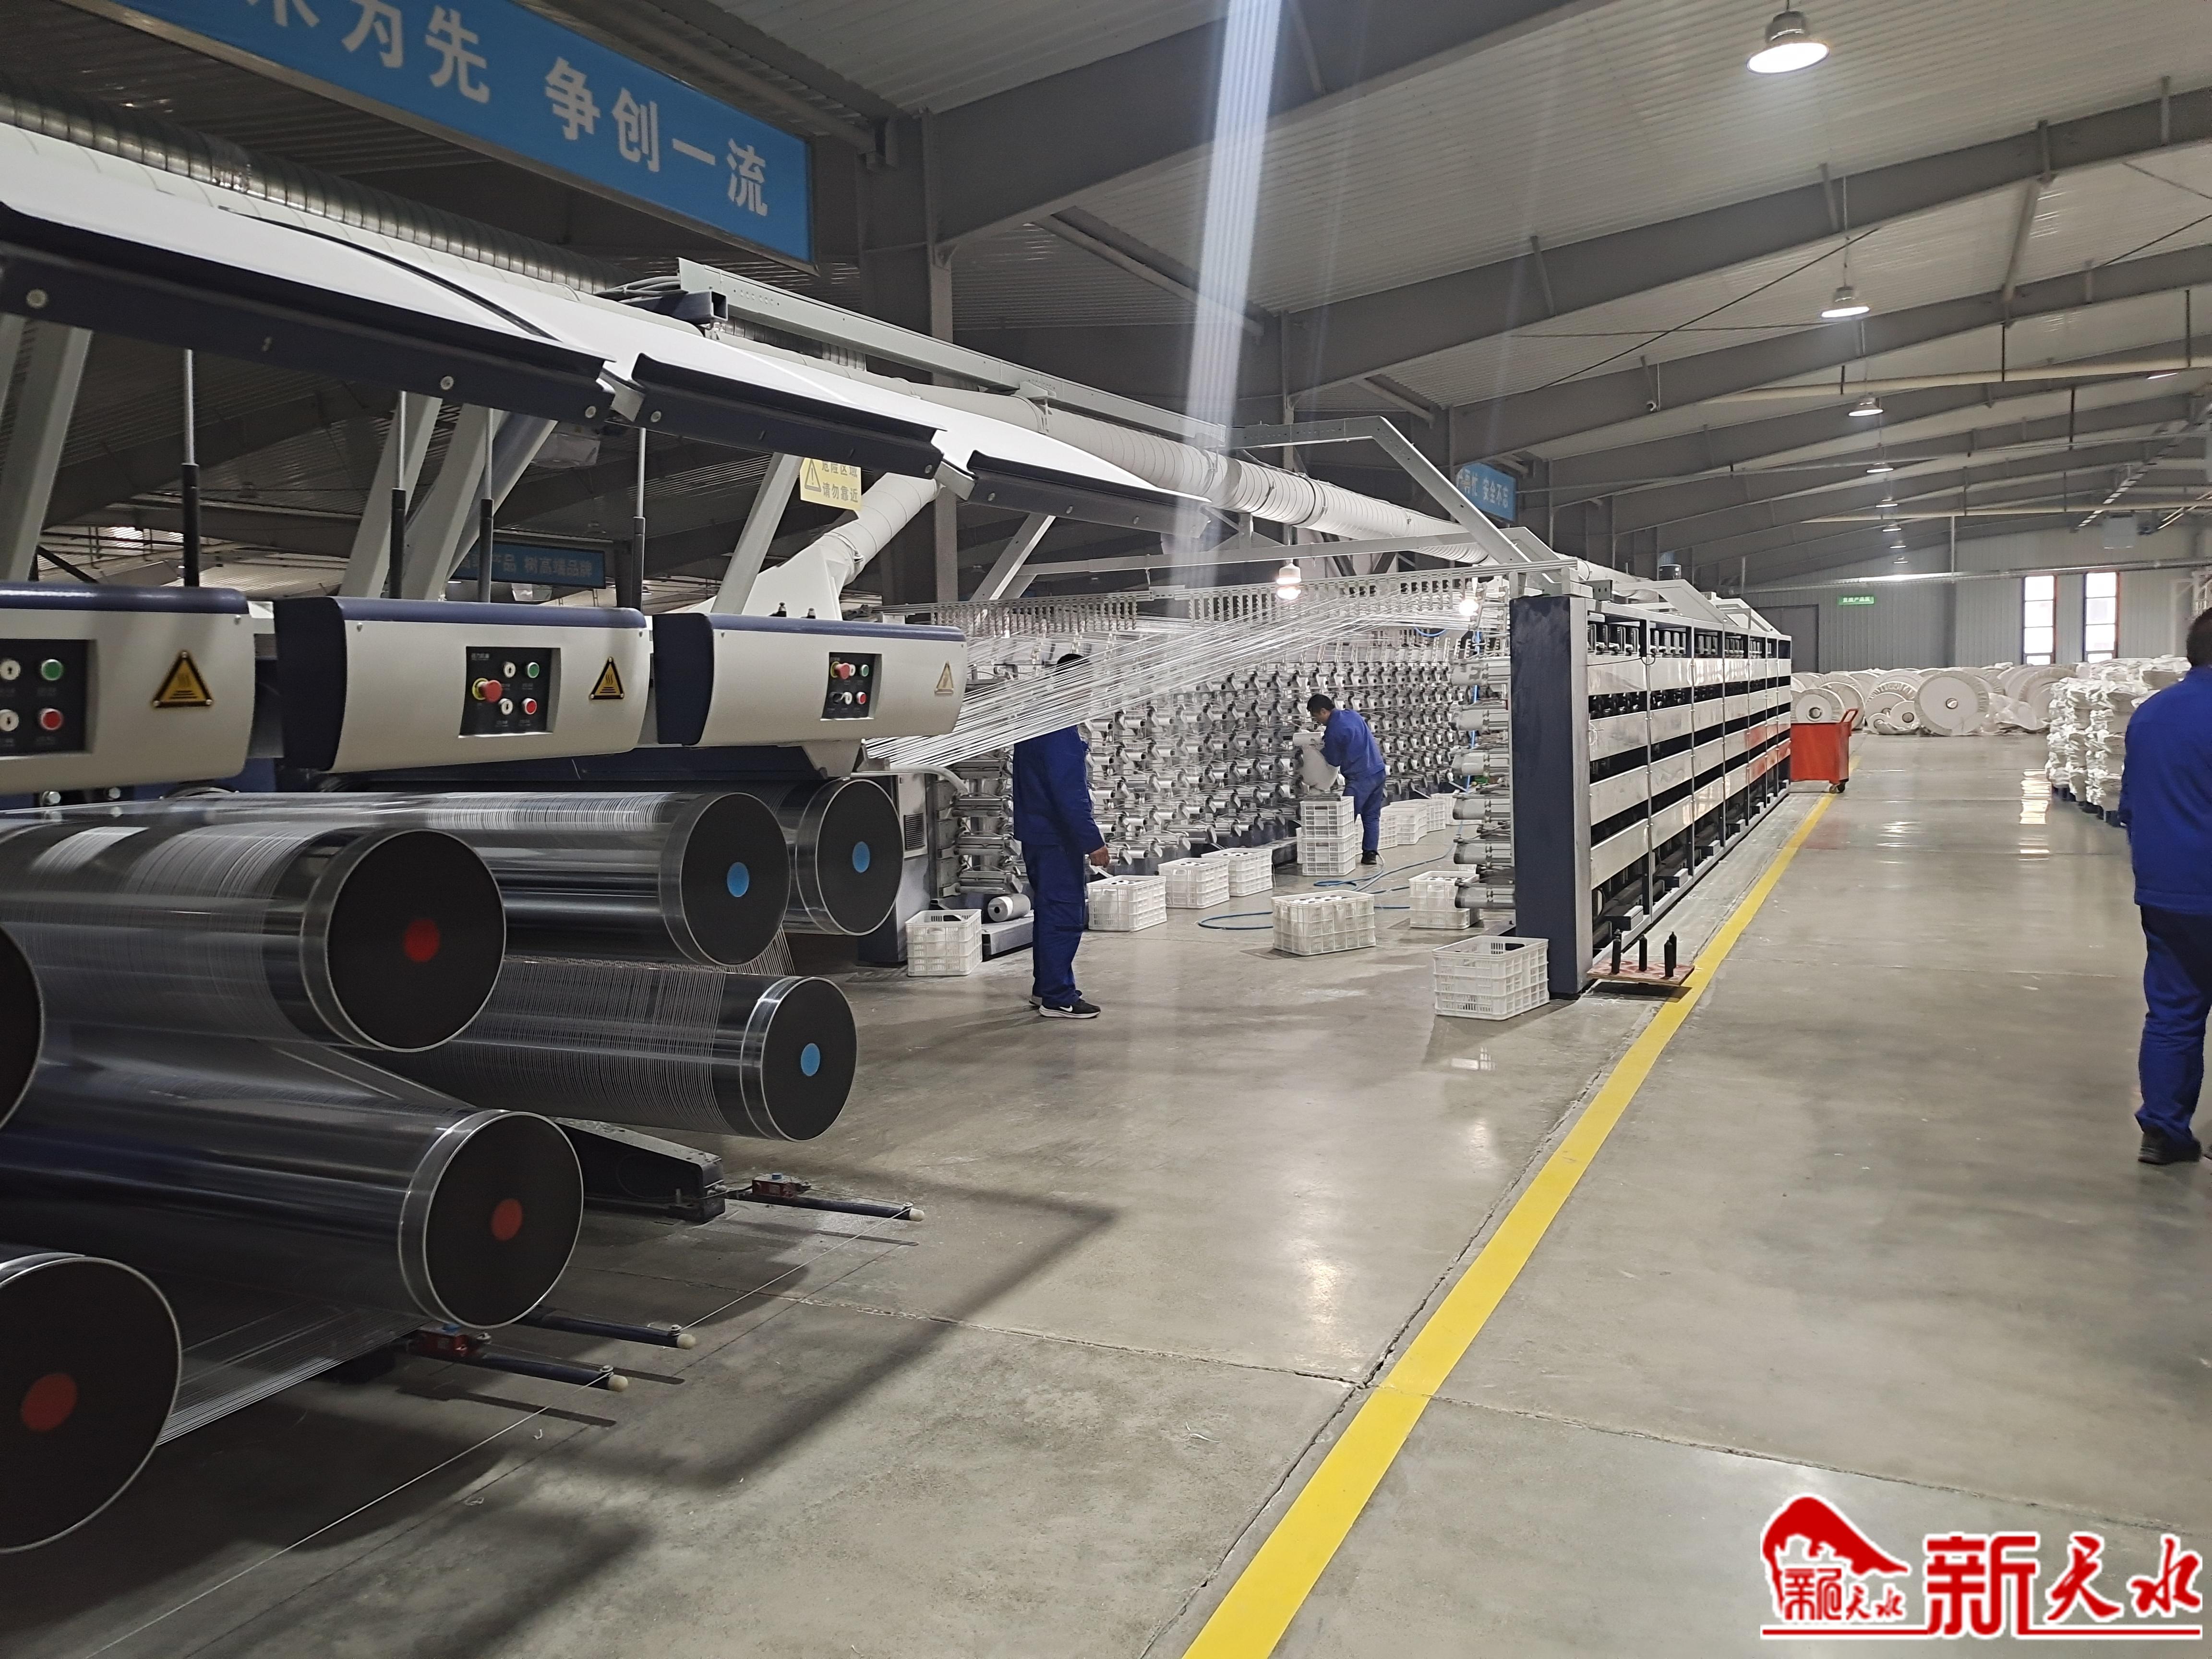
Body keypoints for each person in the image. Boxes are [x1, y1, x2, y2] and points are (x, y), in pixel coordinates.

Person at [2117, 606, 2212, 1164]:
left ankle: (2163, 1131)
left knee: (2174, 1012)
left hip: (2167, 890)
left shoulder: (2152, 714)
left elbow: (2130, 804)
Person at [1012, 683, 1112, 1021]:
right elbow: (1070, 795)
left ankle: (1046, 988)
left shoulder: (1035, 722)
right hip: (1057, 838)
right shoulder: (1060, 732)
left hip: (1037, 833)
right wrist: (1093, 841)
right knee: (1064, 916)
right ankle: (1058, 997)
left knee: (1049, 913)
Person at [1308, 692, 1388, 865]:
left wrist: (1318, 749)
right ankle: (1370, 855)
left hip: (1360, 779)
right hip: (1378, 771)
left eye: (1316, 717)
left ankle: (1335, 855)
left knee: (1345, 818)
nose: (1317, 721)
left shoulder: (1334, 730)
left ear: (1323, 711)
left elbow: (1334, 761)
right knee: (1371, 816)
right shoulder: (1352, 714)